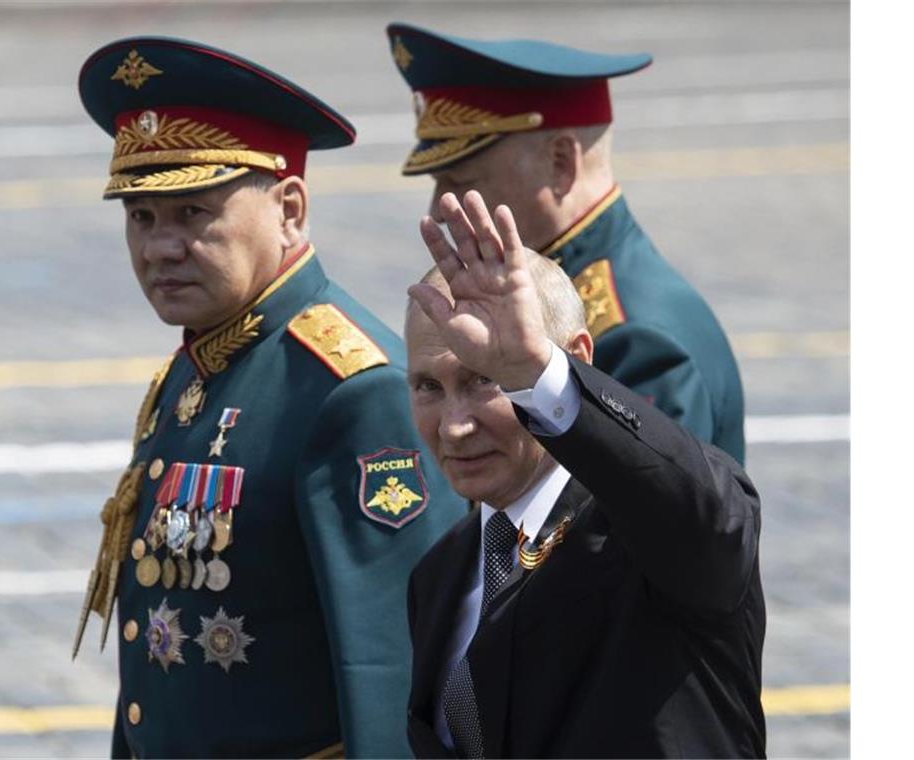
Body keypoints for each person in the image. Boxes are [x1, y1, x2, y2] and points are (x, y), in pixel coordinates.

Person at [69, 36, 466, 758]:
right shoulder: (201, 363)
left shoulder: (349, 390)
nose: (160, 247)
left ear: (289, 209)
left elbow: (392, 674)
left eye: (193, 213)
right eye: (141, 217)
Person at [402, 189, 766, 758]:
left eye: (483, 380)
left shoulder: (646, 541)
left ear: (576, 357)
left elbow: (709, 516)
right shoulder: (441, 575)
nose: (454, 426)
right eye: (429, 387)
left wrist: (534, 373)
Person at [386, 23, 747, 464]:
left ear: (560, 163)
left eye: (464, 183)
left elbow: (648, 517)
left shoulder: (632, 336)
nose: (440, 210)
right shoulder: (562, 287)